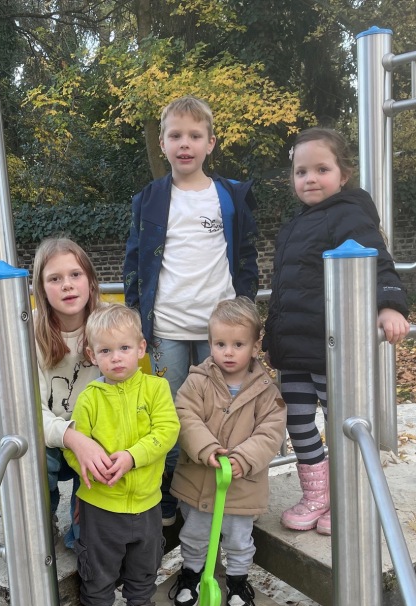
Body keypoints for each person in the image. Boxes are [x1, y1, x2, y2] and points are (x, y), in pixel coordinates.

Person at [263, 127, 410, 536]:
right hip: (294, 348)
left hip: (331, 346)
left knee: (339, 420)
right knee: (297, 420)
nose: (309, 179)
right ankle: (317, 494)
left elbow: (377, 260)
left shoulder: (349, 213)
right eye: (300, 172)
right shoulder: (295, 225)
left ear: (343, 174)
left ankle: (347, 495)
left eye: (321, 169)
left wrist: (389, 304)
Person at [123, 95, 260, 527]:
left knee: (222, 410)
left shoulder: (229, 197)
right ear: (162, 144)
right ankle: (169, 497)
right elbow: (134, 261)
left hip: (220, 331)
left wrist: (247, 312)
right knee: (171, 414)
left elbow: (247, 258)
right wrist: (133, 316)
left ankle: (222, 492)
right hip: (166, 329)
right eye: (175, 135)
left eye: (194, 136)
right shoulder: (149, 199)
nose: (185, 144)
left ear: (210, 143)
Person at [64, 303, 179, 606]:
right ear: (92, 355)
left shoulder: (156, 389)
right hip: (101, 502)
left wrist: (132, 457)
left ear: (141, 349)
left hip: (146, 499)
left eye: (125, 348)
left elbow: (168, 429)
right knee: (99, 562)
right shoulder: (89, 398)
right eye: (106, 351)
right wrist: (91, 466)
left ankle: (140, 604)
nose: (116, 358)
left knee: (145, 558)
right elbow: (74, 447)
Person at [168, 297, 286, 606]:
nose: (228, 352)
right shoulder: (198, 381)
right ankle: (191, 576)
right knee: (194, 534)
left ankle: (237, 582)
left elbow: (271, 432)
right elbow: (185, 416)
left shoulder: (265, 390)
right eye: (220, 344)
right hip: (199, 482)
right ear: (209, 343)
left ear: (255, 344)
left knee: (238, 538)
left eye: (238, 344)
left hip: (241, 485)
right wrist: (207, 448)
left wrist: (243, 459)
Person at [33, 237, 112, 550]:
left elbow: (130, 389)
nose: (67, 285)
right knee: (34, 456)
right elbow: (31, 413)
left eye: (75, 275)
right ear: (42, 289)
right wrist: (73, 437)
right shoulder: (30, 335)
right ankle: (41, 521)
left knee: (86, 542)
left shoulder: (110, 325)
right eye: (55, 278)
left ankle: (82, 524)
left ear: (90, 281)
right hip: (55, 444)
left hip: (97, 440)